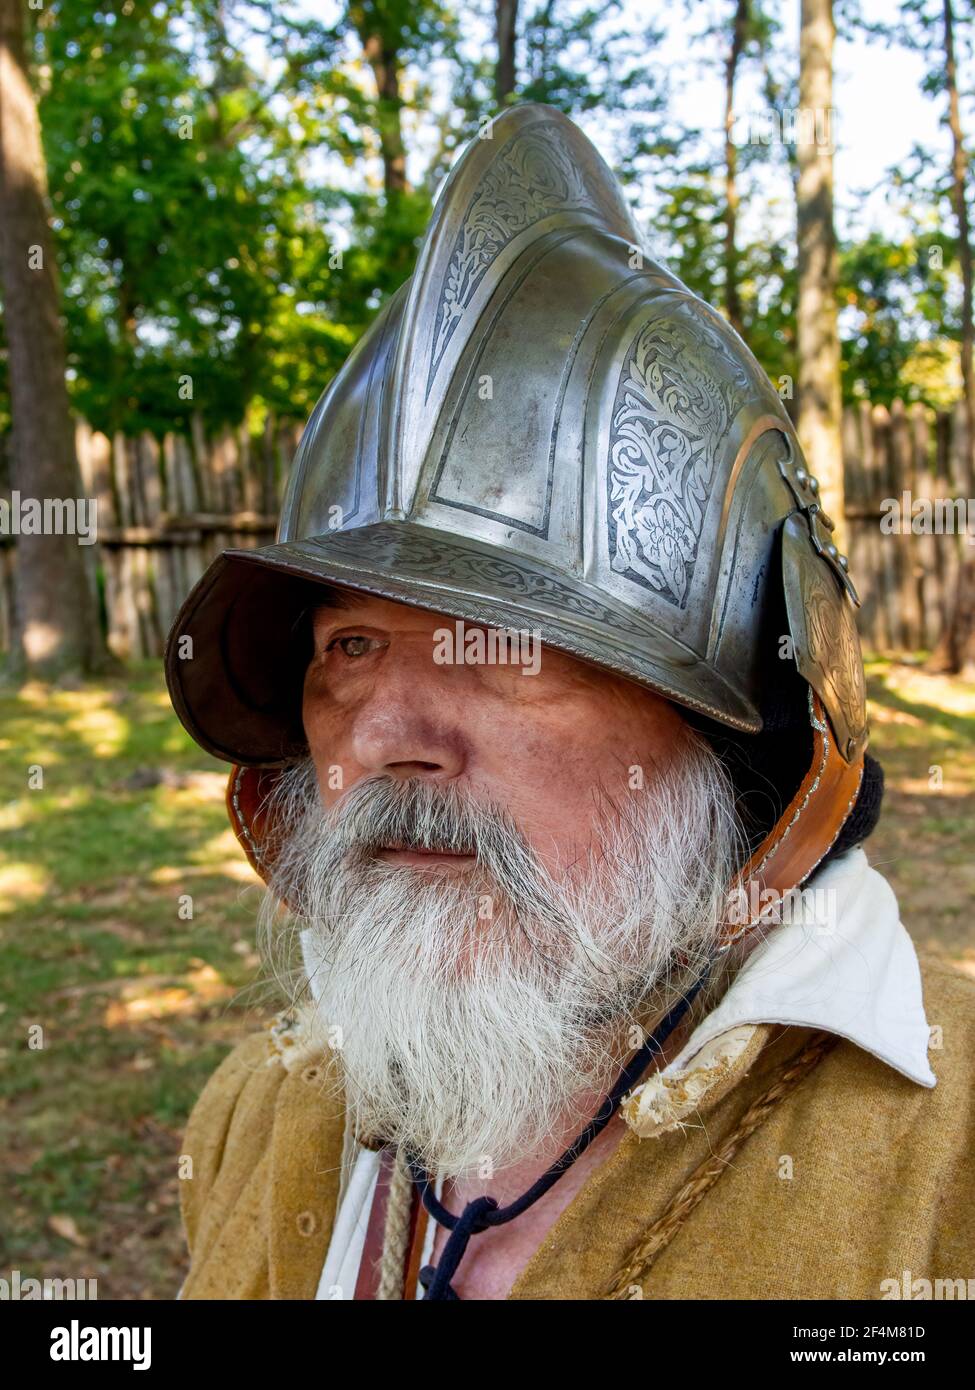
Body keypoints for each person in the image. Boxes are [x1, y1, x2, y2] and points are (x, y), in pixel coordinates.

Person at [165, 104, 975, 1301]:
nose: (385, 741)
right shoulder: (256, 1114)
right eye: (349, 645)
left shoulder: (946, 1171)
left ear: (736, 736)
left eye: (508, 653)